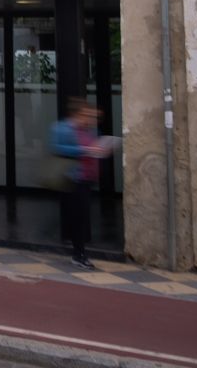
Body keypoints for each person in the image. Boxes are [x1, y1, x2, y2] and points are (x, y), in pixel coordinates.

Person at [50, 98, 110, 270]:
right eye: (86, 114)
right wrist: (84, 150)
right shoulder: (61, 128)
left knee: (82, 216)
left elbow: (93, 147)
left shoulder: (89, 130)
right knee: (78, 217)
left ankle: (79, 252)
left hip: (86, 177)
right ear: (77, 113)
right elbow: (56, 148)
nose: (90, 118)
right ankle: (79, 254)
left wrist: (100, 149)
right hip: (72, 178)